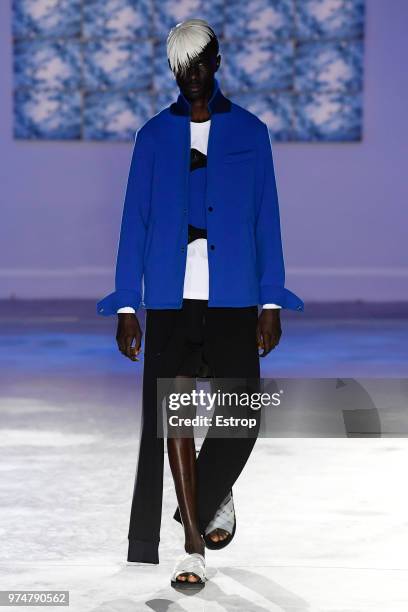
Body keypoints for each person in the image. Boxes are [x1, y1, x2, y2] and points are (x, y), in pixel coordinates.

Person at [97, 18, 304, 589]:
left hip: (235, 294)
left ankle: (211, 495)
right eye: (180, 66)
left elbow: (267, 218)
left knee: (244, 415)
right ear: (173, 70)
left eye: (199, 63)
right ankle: (193, 545)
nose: (191, 75)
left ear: (217, 61)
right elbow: (133, 221)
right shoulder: (153, 137)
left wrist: (271, 300)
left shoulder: (251, 133)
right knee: (178, 415)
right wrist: (125, 306)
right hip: (169, 296)